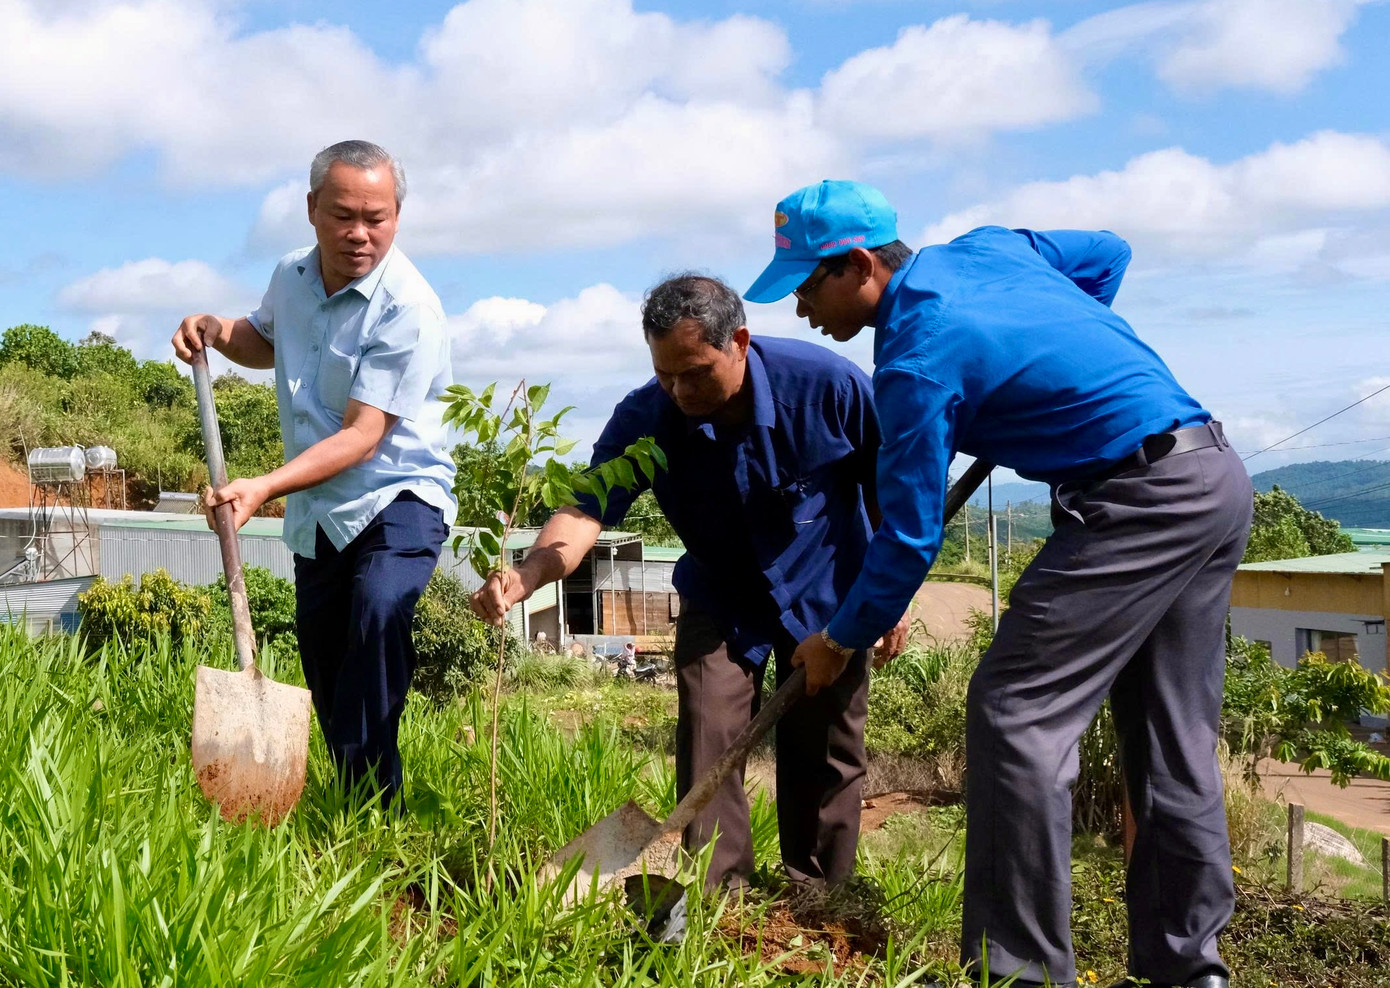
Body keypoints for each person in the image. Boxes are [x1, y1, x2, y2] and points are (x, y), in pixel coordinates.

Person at [745, 181, 1251, 988]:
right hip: (1212, 477)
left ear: (860, 265)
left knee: (1016, 713)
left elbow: (909, 539)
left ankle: (1019, 975)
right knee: (1169, 742)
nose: (802, 311)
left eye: (807, 286)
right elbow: (1108, 252)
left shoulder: (913, 359)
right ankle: (1189, 973)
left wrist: (839, 638)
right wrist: (1056, 358)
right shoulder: (989, 249)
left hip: (1135, 501)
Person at [471, 273, 896, 889]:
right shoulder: (648, 416)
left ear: (740, 342)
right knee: (708, 732)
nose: (680, 389)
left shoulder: (827, 386)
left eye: (695, 372)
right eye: (666, 373)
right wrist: (529, 573)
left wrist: (887, 599)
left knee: (826, 750)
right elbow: (587, 510)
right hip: (721, 595)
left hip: (830, 594)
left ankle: (819, 898)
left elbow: (890, 494)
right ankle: (722, 903)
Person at [172, 140, 456, 806]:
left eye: (378, 217)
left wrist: (263, 487)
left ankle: (376, 804)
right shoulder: (292, 277)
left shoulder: (408, 307)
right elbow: (266, 342)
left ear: (397, 216)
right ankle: (341, 791)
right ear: (311, 210)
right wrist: (214, 328)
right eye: (343, 215)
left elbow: (363, 436)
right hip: (319, 506)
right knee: (325, 657)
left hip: (398, 495)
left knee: (379, 609)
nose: (360, 233)